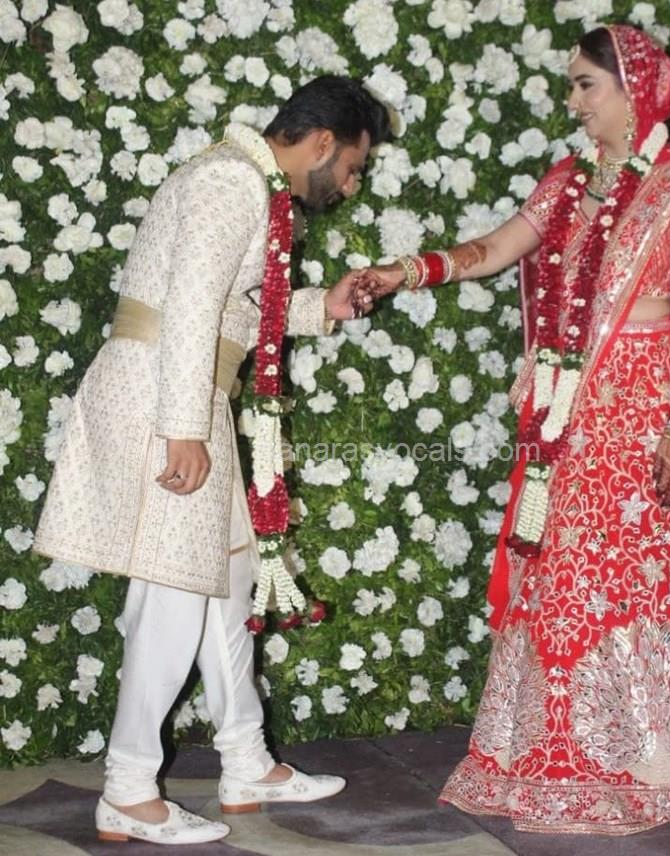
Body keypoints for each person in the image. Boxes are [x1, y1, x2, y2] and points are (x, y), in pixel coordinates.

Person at [351, 26, 670, 834]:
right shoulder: (567, 182)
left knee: (664, 569)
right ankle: (568, 750)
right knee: (565, 569)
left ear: (635, 91)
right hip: (569, 413)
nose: (573, 101)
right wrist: (404, 272)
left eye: (586, 84)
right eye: (572, 85)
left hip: (651, 410)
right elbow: (495, 249)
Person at [33, 75, 390, 845]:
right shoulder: (231, 181)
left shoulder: (241, 179)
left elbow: (231, 307)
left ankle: (246, 761)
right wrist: (184, 430)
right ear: (322, 142)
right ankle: (128, 789)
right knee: (172, 595)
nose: (350, 184)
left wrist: (320, 306)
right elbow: (192, 308)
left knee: (226, 585)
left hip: (187, 396)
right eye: (353, 166)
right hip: (167, 399)